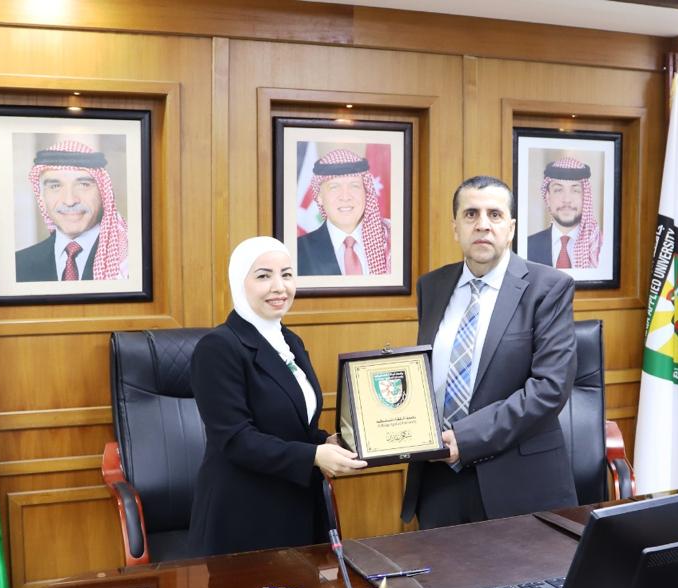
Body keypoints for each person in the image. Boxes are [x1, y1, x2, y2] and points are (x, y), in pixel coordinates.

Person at [401, 175, 577, 529]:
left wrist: (466, 439)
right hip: (439, 480)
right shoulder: (432, 286)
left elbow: (550, 388)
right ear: (455, 227)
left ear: (510, 228)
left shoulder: (548, 287)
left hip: (518, 481)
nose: (482, 225)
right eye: (471, 214)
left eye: (494, 215)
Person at [187, 236, 366, 556]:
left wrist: (326, 442)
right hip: (245, 517)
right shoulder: (218, 348)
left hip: (298, 506)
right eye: (263, 276)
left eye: (286, 274)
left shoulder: (290, 341)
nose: (279, 287)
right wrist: (313, 456)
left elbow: (296, 424)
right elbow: (236, 439)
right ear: (238, 282)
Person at [16, 140, 129, 282]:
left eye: (83, 185)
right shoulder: (18, 265)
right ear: (42, 198)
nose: (69, 201)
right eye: (55, 186)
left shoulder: (128, 261)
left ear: (103, 193)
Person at [296, 149, 392, 276]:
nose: (345, 197)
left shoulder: (392, 240)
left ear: (366, 191)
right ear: (319, 196)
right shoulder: (299, 251)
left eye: (354, 186)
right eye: (334, 187)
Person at [526, 157, 603, 270]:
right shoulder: (527, 246)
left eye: (575, 190)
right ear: (548, 197)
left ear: (585, 197)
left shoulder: (599, 247)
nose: (567, 199)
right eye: (558, 190)